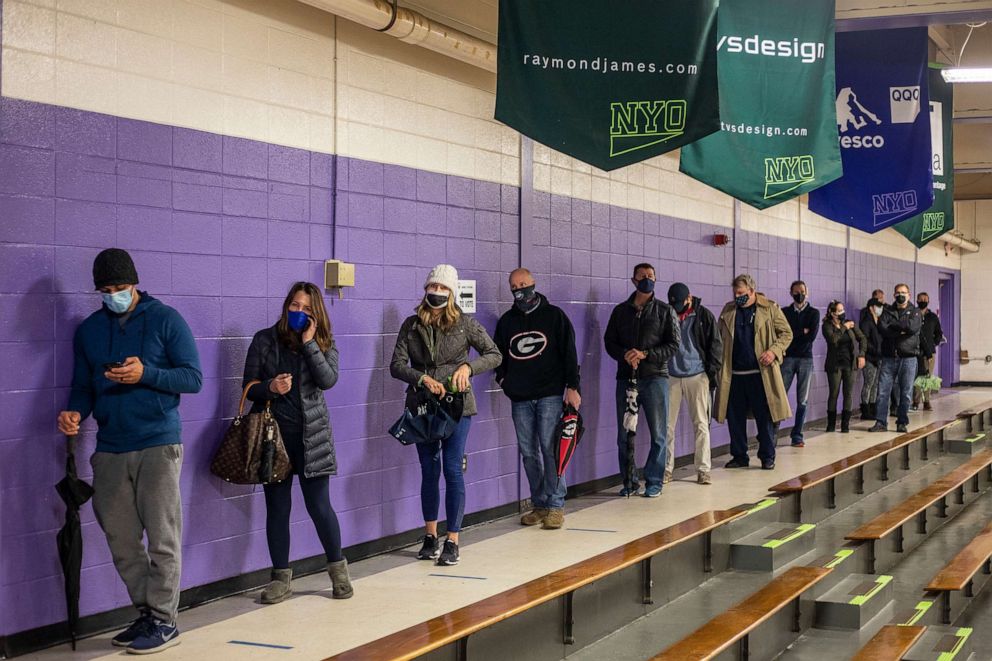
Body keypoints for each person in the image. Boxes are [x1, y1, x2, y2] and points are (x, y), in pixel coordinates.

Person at [57, 249, 202, 654]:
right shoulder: (88, 331)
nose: (113, 295)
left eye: (120, 288)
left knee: (162, 536)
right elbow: (82, 386)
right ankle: (147, 612)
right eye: (105, 290)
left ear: (134, 283)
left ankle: (164, 620)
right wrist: (74, 413)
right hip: (110, 446)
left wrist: (146, 374)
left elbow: (193, 378)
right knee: (120, 537)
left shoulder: (165, 320)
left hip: (158, 440)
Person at [242, 282, 351, 604]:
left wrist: (308, 345)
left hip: (312, 436)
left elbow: (328, 380)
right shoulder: (264, 340)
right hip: (273, 438)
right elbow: (248, 387)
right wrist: (270, 387)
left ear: (316, 314)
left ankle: (338, 572)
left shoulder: (324, 342)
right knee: (277, 509)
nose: (298, 313)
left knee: (319, 506)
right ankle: (280, 578)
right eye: (294, 306)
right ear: (285, 306)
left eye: (306, 308)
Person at [390, 264, 502, 565]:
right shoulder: (411, 325)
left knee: (452, 469)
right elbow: (396, 365)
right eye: (432, 287)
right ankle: (430, 535)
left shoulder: (466, 324)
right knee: (429, 470)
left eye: (442, 289)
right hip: (423, 405)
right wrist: (421, 379)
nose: (436, 293)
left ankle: (452, 539)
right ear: (426, 289)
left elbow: (494, 354)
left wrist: (469, 367)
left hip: (457, 407)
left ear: (451, 293)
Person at [494, 269, 581, 529]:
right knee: (528, 453)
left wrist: (573, 387)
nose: (519, 288)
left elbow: (569, 354)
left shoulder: (555, 316)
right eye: (514, 285)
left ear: (533, 284)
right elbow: (497, 355)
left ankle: (556, 505)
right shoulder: (507, 321)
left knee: (550, 449)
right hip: (520, 398)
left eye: (523, 284)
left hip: (550, 395)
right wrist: (503, 381)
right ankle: (540, 503)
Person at [604, 263, 680, 497]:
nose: (647, 279)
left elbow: (673, 345)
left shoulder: (665, 311)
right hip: (626, 379)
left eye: (651, 276)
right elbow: (609, 342)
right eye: (642, 276)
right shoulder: (620, 311)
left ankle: (654, 481)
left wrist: (646, 355)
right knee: (624, 434)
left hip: (655, 378)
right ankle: (629, 482)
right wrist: (625, 355)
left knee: (659, 433)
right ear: (633, 280)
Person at [714, 274, 793, 470]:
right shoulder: (729, 310)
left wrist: (774, 351)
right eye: (735, 293)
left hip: (760, 375)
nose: (737, 296)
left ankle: (767, 456)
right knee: (735, 418)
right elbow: (718, 339)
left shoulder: (769, 309)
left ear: (751, 291)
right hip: (734, 375)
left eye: (741, 293)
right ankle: (739, 455)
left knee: (765, 417)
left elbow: (786, 334)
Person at [664, 282, 722, 485]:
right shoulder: (667, 314)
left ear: (689, 298)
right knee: (667, 426)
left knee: (701, 424)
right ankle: (666, 469)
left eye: (680, 304)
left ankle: (703, 469)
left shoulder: (703, 316)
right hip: (671, 375)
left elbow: (715, 344)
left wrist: (710, 372)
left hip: (697, 375)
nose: (677, 308)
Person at [870, 284, 923, 434]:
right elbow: (882, 329)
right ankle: (881, 422)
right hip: (889, 357)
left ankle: (901, 422)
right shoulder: (887, 311)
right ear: (894, 295)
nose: (901, 295)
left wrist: (894, 327)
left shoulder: (915, 312)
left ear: (909, 295)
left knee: (905, 393)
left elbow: (912, 329)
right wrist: (901, 329)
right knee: (882, 392)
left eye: (903, 293)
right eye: (898, 293)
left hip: (908, 358)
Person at [779, 281, 820, 447]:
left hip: (806, 359)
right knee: (780, 396)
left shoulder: (813, 313)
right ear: (791, 293)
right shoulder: (784, 312)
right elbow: (782, 334)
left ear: (807, 292)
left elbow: (811, 336)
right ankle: (772, 433)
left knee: (802, 400)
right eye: (796, 292)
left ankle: (797, 435)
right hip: (787, 358)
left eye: (802, 291)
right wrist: (800, 331)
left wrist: (793, 333)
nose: (799, 294)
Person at [822, 301, 867, 433]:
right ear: (832, 313)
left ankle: (845, 424)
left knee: (848, 393)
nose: (842, 313)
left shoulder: (850, 323)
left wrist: (861, 354)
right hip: (835, 364)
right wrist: (844, 328)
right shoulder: (827, 325)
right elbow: (833, 339)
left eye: (843, 310)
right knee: (834, 393)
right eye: (839, 311)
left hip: (850, 363)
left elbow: (862, 338)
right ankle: (831, 424)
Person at [912, 292, 944, 411]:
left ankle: (927, 401)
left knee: (927, 377)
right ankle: (915, 401)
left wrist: (933, 343)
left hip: (930, 352)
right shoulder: (913, 314)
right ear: (917, 300)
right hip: (915, 351)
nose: (923, 301)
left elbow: (939, 333)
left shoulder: (933, 317)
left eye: (925, 299)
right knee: (917, 377)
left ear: (928, 301)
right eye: (920, 299)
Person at [859, 297, 884, 420]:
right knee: (868, 383)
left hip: (879, 357)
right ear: (871, 308)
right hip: (869, 357)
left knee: (875, 385)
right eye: (877, 306)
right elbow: (865, 340)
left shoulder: (879, 321)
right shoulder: (866, 322)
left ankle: (873, 408)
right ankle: (865, 409)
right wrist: (875, 350)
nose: (880, 309)